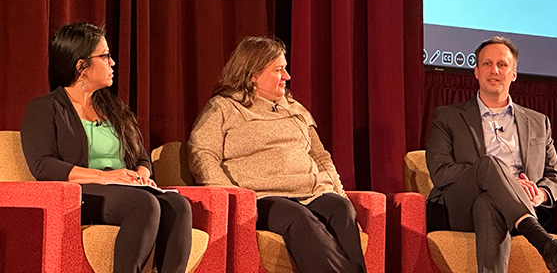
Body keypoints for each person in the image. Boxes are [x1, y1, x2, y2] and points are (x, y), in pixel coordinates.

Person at [20, 22, 193, 273]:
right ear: (81, 66)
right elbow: (43, 165)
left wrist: (142, 176)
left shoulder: (116, 108)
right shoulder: (45, 108)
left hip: (127, 189)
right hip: (81, 194)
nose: (112, 63)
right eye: (105, 56)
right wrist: (105, 177)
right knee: (144, 204)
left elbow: (142, 158)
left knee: (179, 206)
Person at [187, 36, 366, 273]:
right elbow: (202, 153)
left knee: (341, 209)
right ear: (253, 75)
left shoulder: (296, 109)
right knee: (298, 216)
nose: (287, 76)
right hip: (262, 198)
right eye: (279, 70)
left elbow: (321, 156)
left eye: (286, 69)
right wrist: (235, 199)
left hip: (310, 193)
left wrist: (339, 193)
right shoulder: (223, 108)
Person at [425, 36, 557, 273]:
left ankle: (534, 234)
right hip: (459, 209)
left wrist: (540, 193)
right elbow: (440, 172)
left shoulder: (539, 123)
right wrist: (495, 178)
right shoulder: (447, 117)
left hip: (523, 207)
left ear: (514, 73)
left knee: (488, 202)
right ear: (476, 72)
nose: (494, 70)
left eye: (502, 64)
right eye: (487, 64)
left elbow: (555, 176)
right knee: (489, 165)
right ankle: (544, 243)